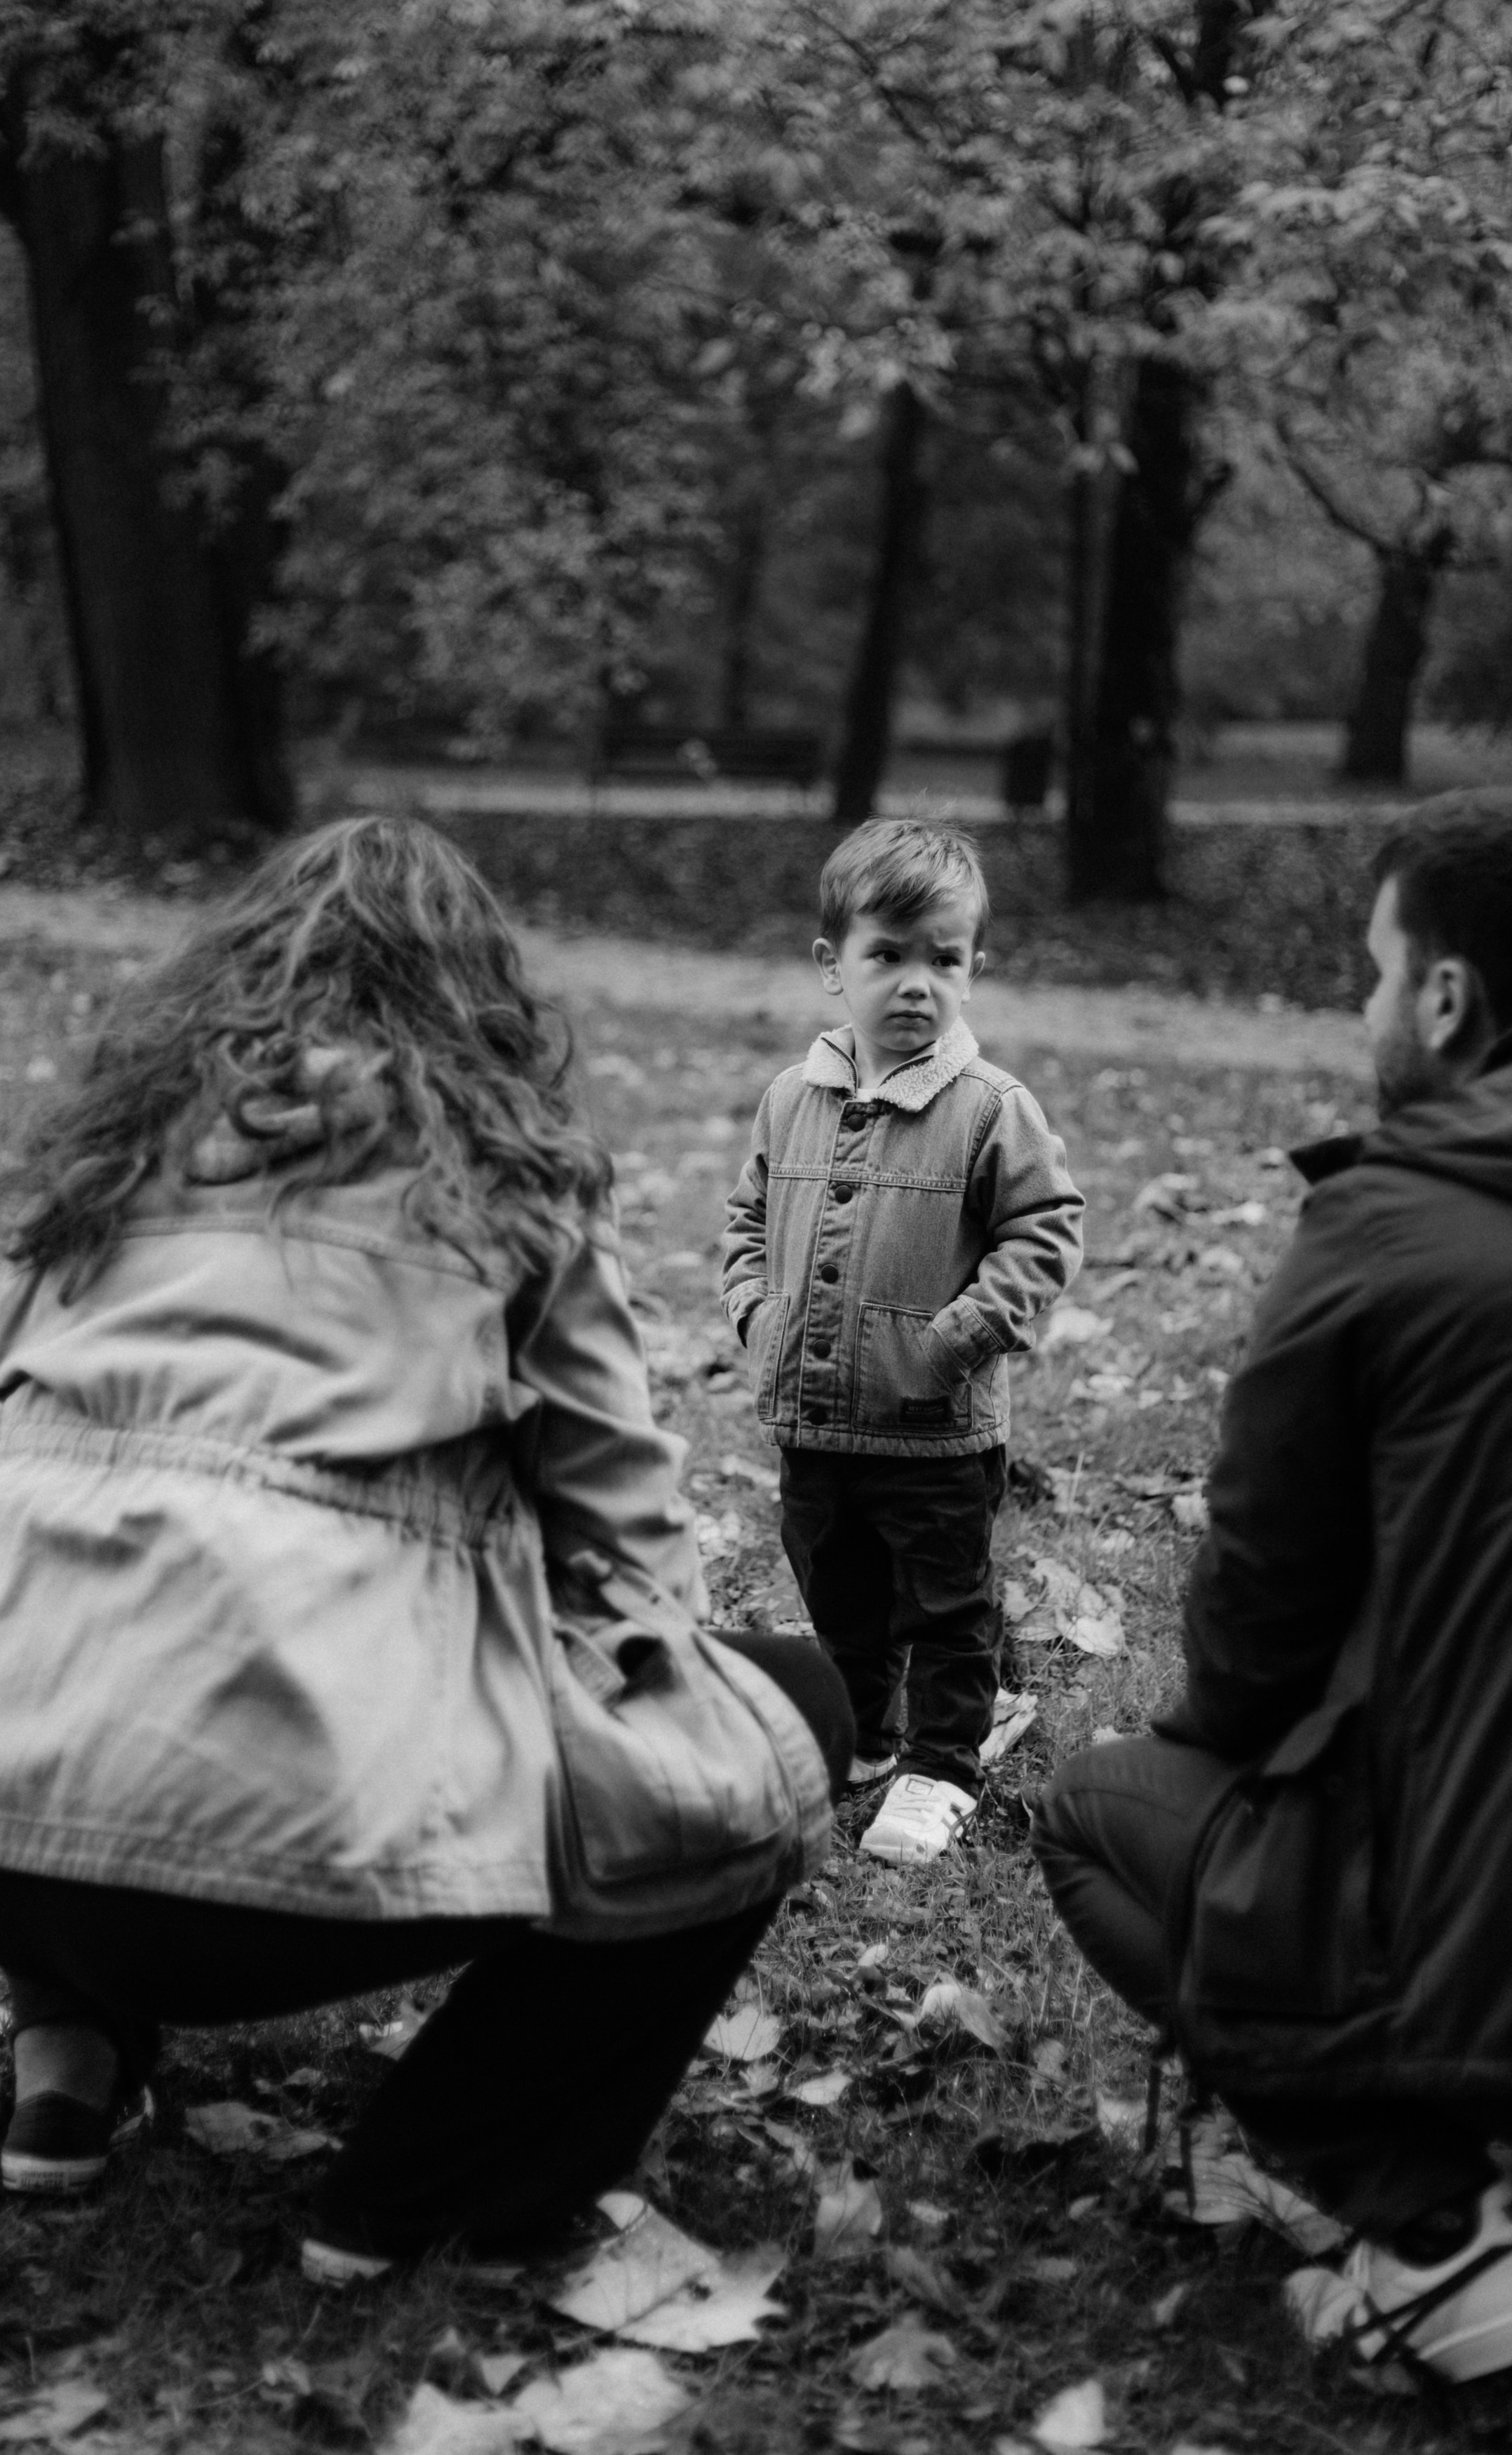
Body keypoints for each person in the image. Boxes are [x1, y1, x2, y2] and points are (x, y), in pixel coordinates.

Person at [0, 816, 849, 2280]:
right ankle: (423, 2193)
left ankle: (66, 2051)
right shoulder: (505, 1190)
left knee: (57, 1594)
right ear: (480, 1002)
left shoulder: (94, 1170)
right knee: (783, 1719)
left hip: (16, 1827)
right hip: (270, 1870)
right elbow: (633, 1548)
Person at [1032, 788, 1512, 2383]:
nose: (1365, 1011)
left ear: (1447, 999)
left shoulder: (1388, 1224)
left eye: (1373, 974)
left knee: (1106, 1810)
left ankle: (1445, 2239)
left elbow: (1247, 1659)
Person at [722, 821, 1083, 1865]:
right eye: (889, 955)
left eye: (945, 958)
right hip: (814, 1415)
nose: (917, 983)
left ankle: (942, 1765)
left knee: (946, 1600)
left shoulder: (987, 1109)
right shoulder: (791, 1099)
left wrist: (957, 1337)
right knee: (836, 1589)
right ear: (833, 966)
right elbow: (745, 1218)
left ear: (975, 968)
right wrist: (757, 1313)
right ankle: (864, 1735)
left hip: (934, 1431)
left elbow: (1046, 1226)